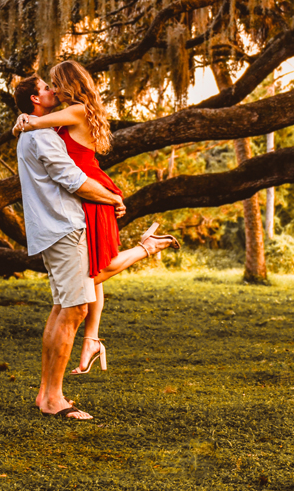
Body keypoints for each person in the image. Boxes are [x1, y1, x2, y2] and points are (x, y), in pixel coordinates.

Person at [14, 60, 179, 376]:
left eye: (55, 84)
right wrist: (22, 121)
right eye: (48, 86)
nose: (54, 90)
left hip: (89, 190)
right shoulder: (74, 111)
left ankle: (147, 248)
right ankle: (91, 338)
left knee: (93, 270)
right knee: (91, 269)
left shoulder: (75, 110)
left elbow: (32, 125)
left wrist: (21, 121)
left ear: (68, 85)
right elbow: (33, 126)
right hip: (82, 191)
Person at [14, 74, 124, 421]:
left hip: (51, 227)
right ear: (35, 98)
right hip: (63, 226)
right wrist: (114, 199)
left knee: (63, 307)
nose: (53, 90)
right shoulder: (43, 135)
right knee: (76, 309)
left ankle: (46, 392)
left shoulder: (36, 131)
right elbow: (74, 181)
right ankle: (54, 399)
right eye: (46, 87)